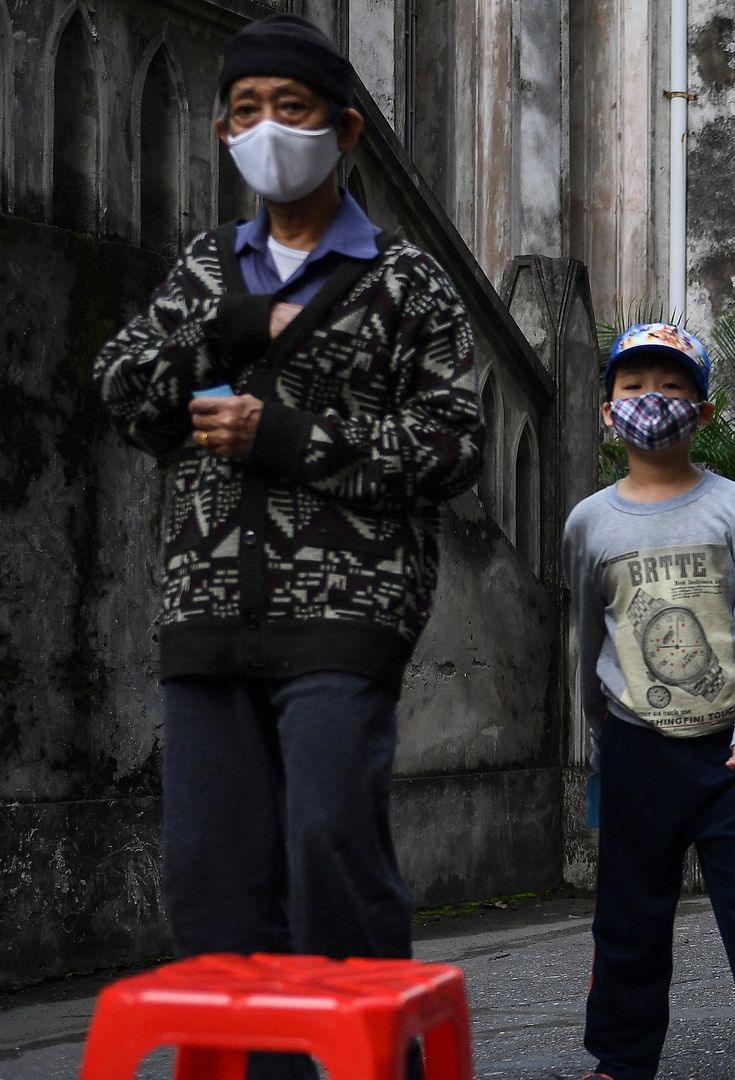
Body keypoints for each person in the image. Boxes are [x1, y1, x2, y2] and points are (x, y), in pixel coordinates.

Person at [91, 17, 484, 1080]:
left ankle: (372, 1062)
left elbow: (455, 445)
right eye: (247, 111)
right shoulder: (206, 266)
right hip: (208, 605)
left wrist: (298, 437)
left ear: (344, 128)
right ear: (224, 130)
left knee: (327, 844)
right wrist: (226, 332)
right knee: (210, 873)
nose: (268, 129)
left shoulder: (408, 282)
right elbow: (123, 385)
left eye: (292, 108)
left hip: (350, 607)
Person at [565, 323, 735, 1079]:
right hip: (635, 749)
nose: (654, 402)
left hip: (731, 755)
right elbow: (589, 638)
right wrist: (600, 738)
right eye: (635, 387)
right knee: (627, 922)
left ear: (703, 413)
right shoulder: (590, 523)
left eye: (674, 388)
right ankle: (620, 1061)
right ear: (608, 411)